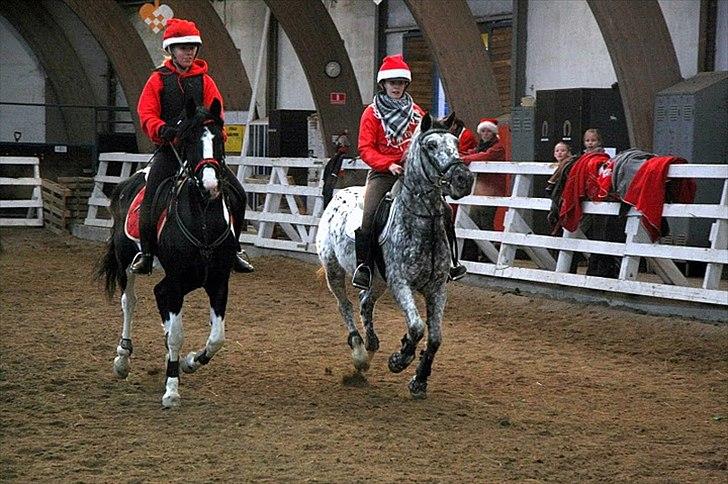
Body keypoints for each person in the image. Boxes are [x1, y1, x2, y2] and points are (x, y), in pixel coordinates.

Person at [131, 18, 253, 275]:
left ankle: (234, 248)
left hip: (200, 152)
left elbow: (217, 115)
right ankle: (147, 252)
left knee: (238, 194)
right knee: (151, 197)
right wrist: (161, 129)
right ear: (171, 51)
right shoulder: (157, 80)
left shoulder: (206, 81)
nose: (188, 52)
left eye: (192, 47)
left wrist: (212, 134)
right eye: (183, 47)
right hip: (171, 151)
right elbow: (146, 114)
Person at [352, 54, 467, 289]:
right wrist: (387, 164)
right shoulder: (371, 114)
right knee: (370, 215)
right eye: (393, 83)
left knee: (444, 210)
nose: (397, 87)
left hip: (413, 173)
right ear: (383, 84)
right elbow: (365, 148)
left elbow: (426, 139)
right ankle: (364, 266)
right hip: (383, 173)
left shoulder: (416, 112)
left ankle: (450, 262)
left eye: (401, 83)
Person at [459, 118, 507, 261]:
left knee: (485, 222)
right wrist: (462, 156)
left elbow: (484, 156)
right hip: (480, 191)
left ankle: (487, 256)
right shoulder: (482, 146)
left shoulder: (497, 148)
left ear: (493, 133)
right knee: (474, 221)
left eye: (488, 131)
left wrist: (462, 158)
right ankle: (473, 255)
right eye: (483, 131)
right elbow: (474, 153)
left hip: (491, 191)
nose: (485, 134)